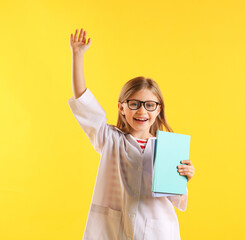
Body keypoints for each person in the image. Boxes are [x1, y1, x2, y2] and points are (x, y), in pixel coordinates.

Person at [68, 28, 195, 240]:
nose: (142, 111)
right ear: (121, 107)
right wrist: (77, 56)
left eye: (149, 105)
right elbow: (83, 103)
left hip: (158, 232)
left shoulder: (169, 149)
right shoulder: (110, 140)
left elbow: (175, 198)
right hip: (115, 229)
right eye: (134, 104)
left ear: (159, 110)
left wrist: (184, 177)